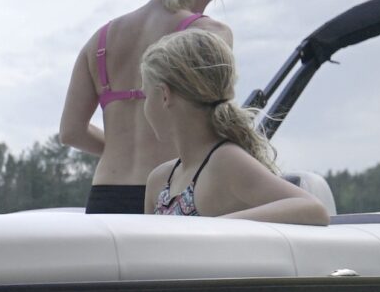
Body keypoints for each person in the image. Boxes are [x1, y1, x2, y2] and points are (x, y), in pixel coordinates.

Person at [60, 0, 235, 214]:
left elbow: (71, 132)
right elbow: (218, 125)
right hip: (170, 194)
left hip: (105, 197)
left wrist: (121, 148)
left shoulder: (99, 41)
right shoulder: (209, 35)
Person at [139, 30, 330, 224]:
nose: (144, 108)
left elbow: (313, 209)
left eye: (146, 96)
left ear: (164, 95)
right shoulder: (159, 179)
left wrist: (211, 227)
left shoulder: (225, 162)